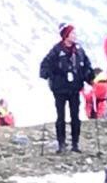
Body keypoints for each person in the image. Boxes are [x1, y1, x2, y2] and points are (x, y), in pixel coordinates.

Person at [39, 23, 95, 152]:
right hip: (60, 89)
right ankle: (62, 144)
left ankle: (75, 144)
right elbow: (45, 65)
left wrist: (90, 78)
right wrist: (48, 75)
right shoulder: (56, 50)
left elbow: (86, 66)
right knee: (61, 116)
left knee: (75, 116)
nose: (75, 36)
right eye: (72, 33)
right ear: (65, 35)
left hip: (75, 88)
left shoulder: (79, 50)